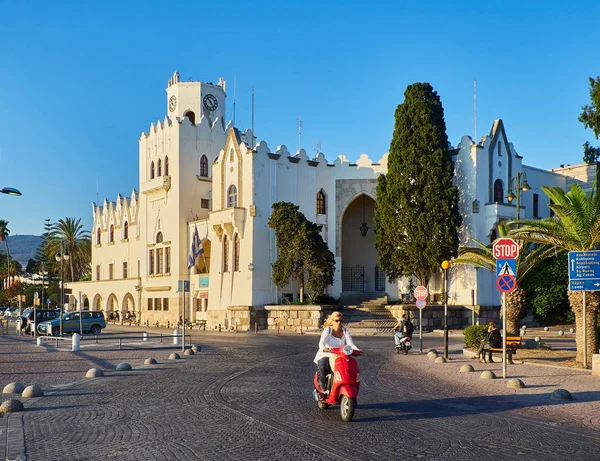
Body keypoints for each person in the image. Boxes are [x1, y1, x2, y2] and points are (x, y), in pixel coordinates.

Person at [314, 311, 360, 396]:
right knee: (323, 365)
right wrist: (324, 348)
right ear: (332, 321)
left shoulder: (345, 331)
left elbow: (351, 344)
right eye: (336, 320)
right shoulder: (328, 330)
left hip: (341, 355)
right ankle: (323, 389)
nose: (339, 323)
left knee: (348, 367)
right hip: (327, 354)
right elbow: (321, 343)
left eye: (340, 321)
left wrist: (357, 350)